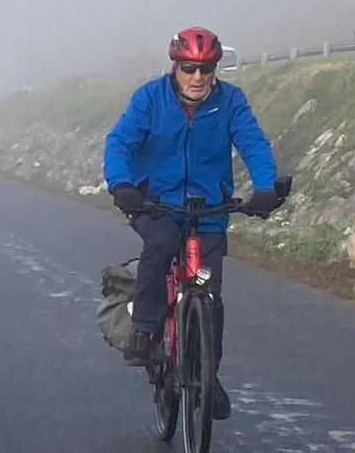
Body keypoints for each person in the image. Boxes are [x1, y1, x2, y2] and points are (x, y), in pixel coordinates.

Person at [103, 26, 279, 420]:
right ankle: (146, 328)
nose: (197, 77)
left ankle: (207, 375)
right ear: (175, 67)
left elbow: (252, 142)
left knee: (209, 292)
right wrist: (122, 185)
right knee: (161, 246)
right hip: (155, 203)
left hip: (209, 209)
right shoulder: (150, 98)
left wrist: (265, 187)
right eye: (188, 68)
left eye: (206, 69)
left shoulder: (231, 101)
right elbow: (120, 142)